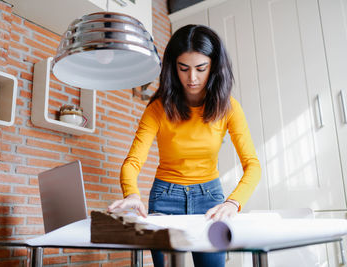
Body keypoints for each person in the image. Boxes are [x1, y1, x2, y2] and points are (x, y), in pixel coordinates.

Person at [108, 24, 261, 267]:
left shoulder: (229, 108)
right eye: (183, 68)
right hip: (164, 199)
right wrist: (132, 194)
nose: (192, 78)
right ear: (172, 68)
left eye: (201, 68)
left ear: (214, 67)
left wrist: (233, 202)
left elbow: (253, 165)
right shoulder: (157, 109)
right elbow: (133, 162)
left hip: (210, 200)